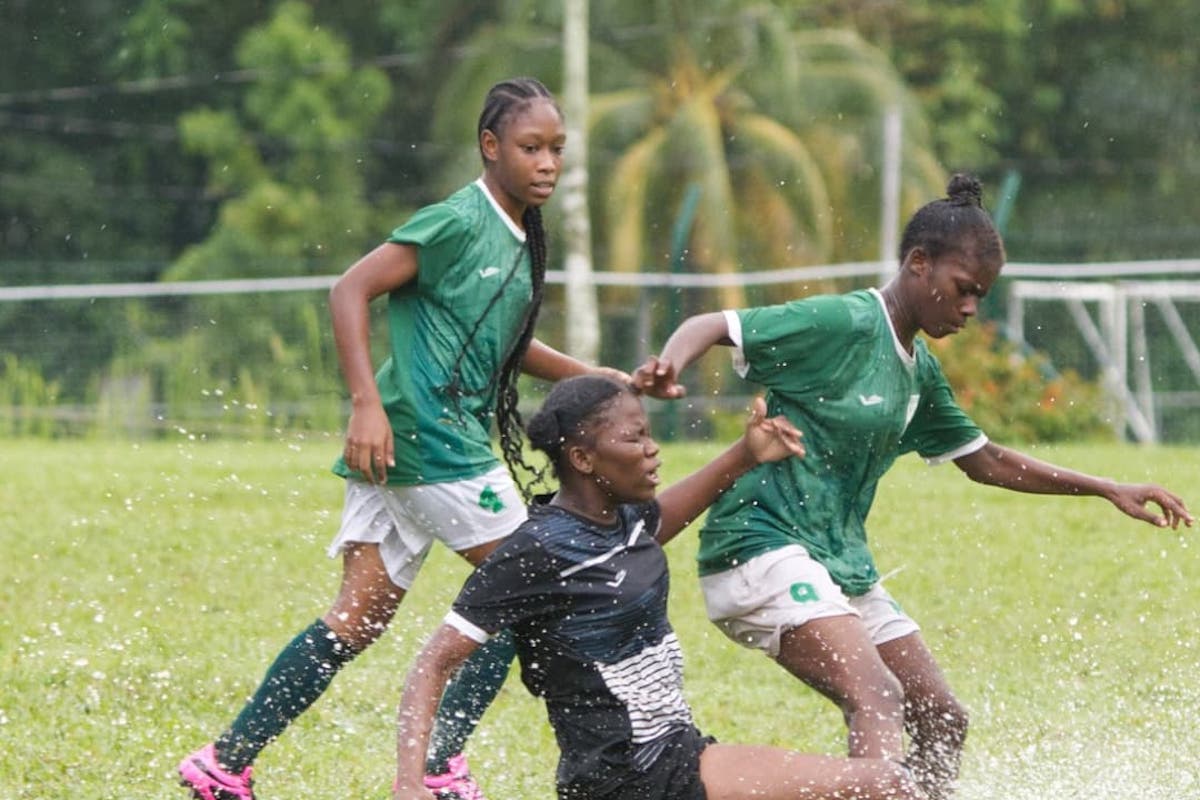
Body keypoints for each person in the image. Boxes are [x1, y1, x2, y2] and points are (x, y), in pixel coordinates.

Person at [631, 174, 1193, 799]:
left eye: (981, 296)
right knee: (876, 694)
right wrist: (668, 367)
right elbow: (715, 323)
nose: (971, 308)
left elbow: (986, 460)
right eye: (963, 289)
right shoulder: (843, 321)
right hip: (758, 547)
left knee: (943, 716)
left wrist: (1106, 486)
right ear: (919, 264)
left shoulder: (920, 372)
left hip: (837, 562)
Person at [178, 77, 634, 800]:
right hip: (422, 436)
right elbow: (350, 289)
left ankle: (225, 762)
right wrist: (366, 403)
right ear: (490, 147)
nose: (548, 162)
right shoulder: (456, 220)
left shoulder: (521, 237)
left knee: (355, 621)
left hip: (413, 445)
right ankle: (439, 765)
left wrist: (598, 380)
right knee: (535, 584)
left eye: (557, 149)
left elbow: (506, 343)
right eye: (531, 148)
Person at [393, 374, 928, 800]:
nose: (651, 449)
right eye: (633, 438)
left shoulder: (621, 521)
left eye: (648, 433)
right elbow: (434, 661)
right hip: (632, 776)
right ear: (582, 459)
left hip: (673, 758)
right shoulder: (538, 549)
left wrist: (744, 454)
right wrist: (410, 783)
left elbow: (661, 520)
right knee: (888, 785)